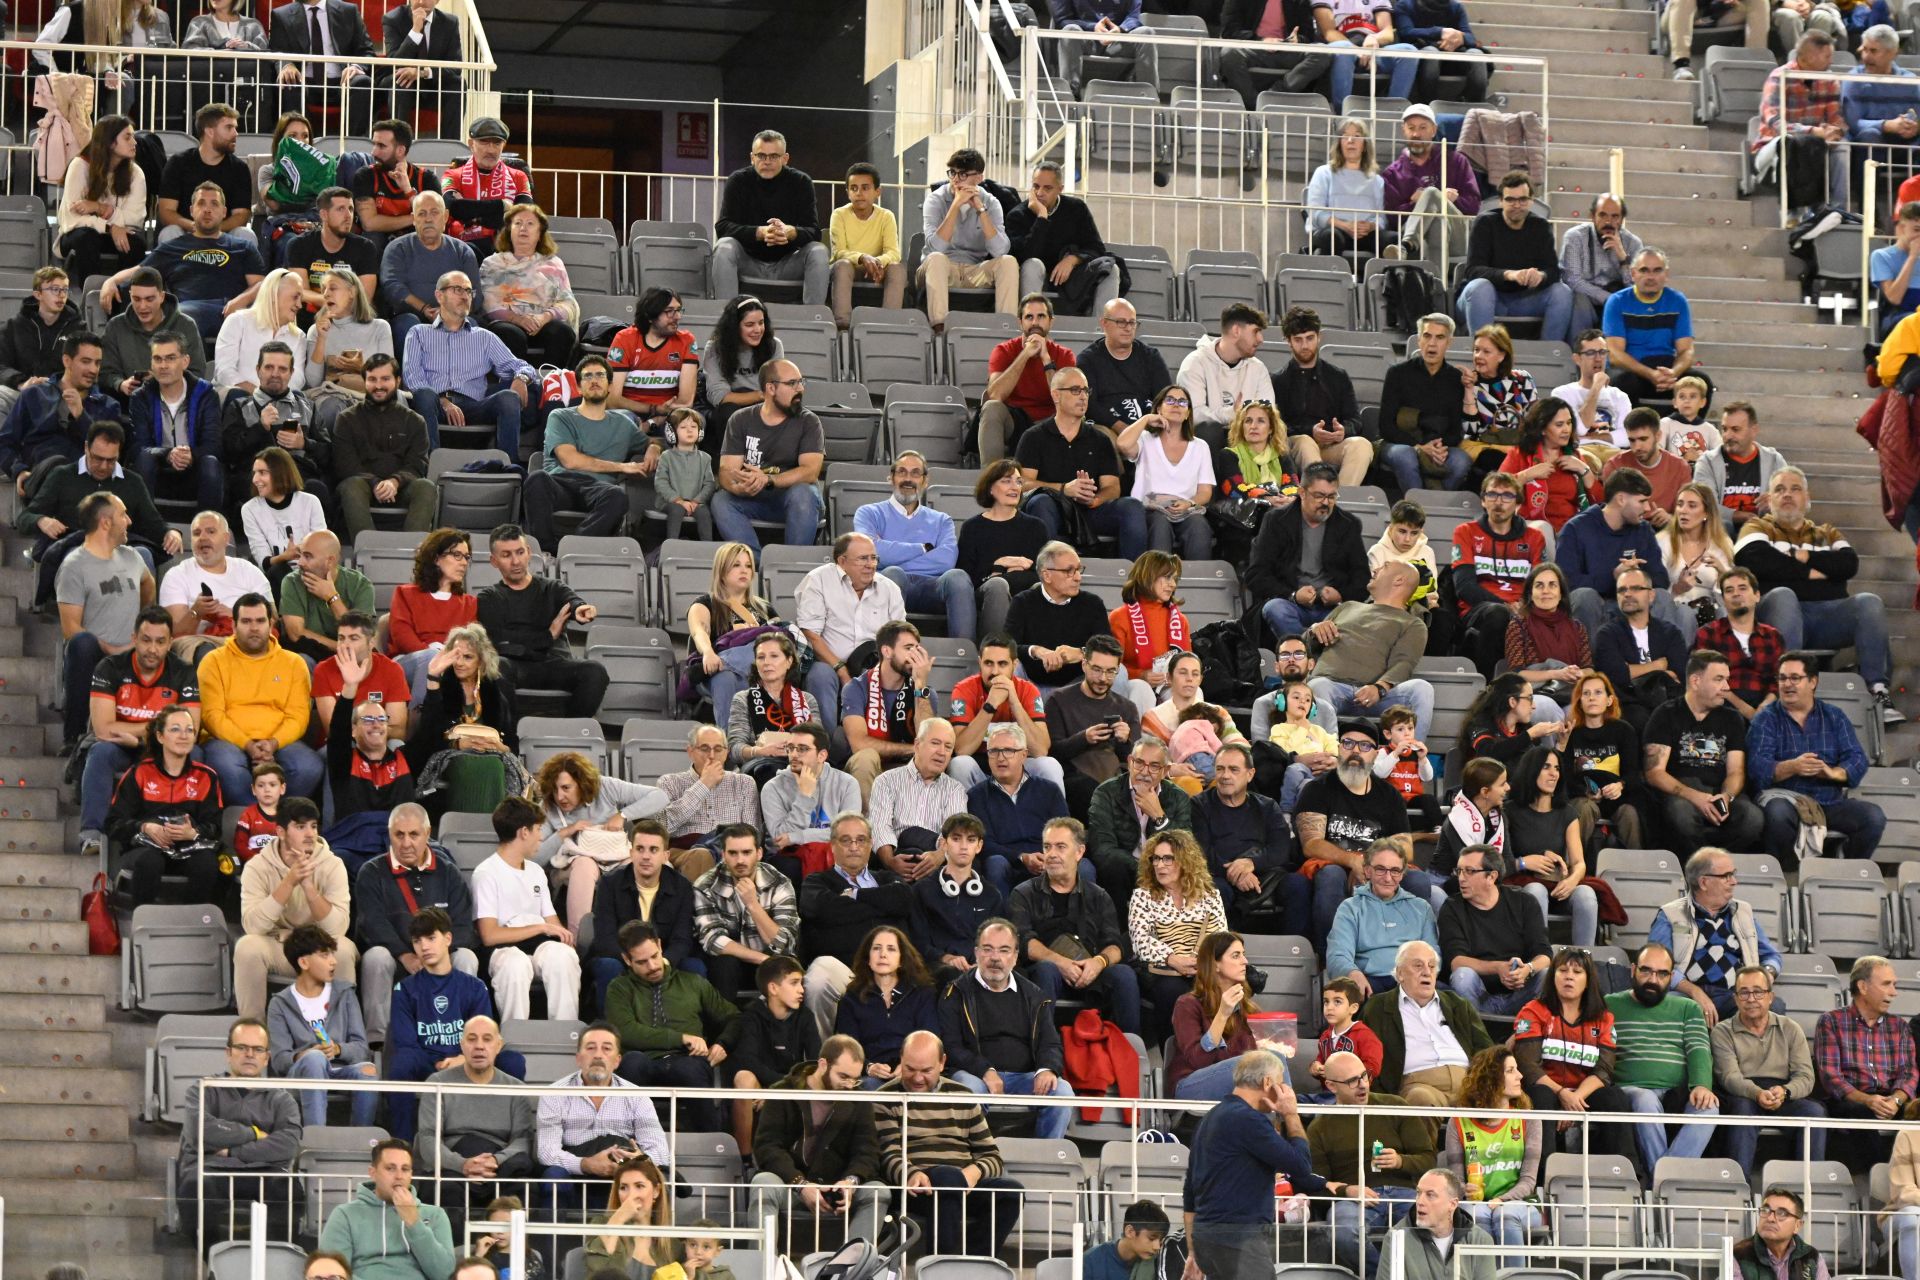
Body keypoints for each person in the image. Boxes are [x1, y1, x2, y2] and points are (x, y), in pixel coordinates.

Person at [1739, 469, 1903, 723]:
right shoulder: (1757, 526)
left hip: (1828, 616)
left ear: (1807, 498)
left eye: (1795, 489)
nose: (1788, 495)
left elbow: (1848, 565)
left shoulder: (1827, 532)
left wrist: (1800, 560)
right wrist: (1818, 572)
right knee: (1784, 595)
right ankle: (1785, 691)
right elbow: (1753, 561)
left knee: (1869, 602)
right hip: (1777, 615)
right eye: (1780, 489)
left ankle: (1878, 693)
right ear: (1769, 499)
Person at [1187, 1049, 1347, 1277]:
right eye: (1281, 1084)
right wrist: (1291, 1114)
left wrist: (1193, 1251)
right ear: (1267, 1082)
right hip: (1239, 1240)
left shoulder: (1210, 1118)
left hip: (1207, 1240)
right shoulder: (1249, 1119)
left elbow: (1189, 1191)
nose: (1284, 1091)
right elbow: (1301, 1165)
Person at [873, 1030, 1024, 1257]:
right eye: (910, 1069)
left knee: (1011, 1192)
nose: (917, 1078)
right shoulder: (885, 1097)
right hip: (914, 1189)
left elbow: (992, 1156)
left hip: (961, 1182)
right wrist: (911, 1173)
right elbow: (888, 1154)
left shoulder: (963, 1095)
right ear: (900, 1060)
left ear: (942, 1063)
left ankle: (973, 1262)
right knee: (948, 1178)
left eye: (926, 1071)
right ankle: (940, 1266)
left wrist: (973, 1173)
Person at [1297, 725, 1436, 946]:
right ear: (1339, 748)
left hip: (1379, 865)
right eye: (1348, 743)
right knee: (1332, 875)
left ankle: (1408, 956)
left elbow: (1406, 849)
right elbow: (1312, 844)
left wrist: (1371, 866)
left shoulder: (1389, 795)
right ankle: (1331, 958)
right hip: (1332, 864)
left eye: (1364, 745)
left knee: (1418, 879)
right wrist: (1352, 860)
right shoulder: (1317, 789)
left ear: (1375, 753)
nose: (1355, 751)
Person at [938, 917, 1075, 1137]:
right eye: (987, 949)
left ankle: (1046, 1158)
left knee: (1062, 1091)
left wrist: (1046, 1069)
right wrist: (985, 1070)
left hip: (1024, 1077)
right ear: (976, 952)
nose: (994, 958)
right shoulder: (956, 992)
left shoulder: (1034, 995)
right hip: (975, 1076)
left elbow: (1050, 1043)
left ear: (1015, 956)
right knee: (969, 1089)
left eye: (1003, 950)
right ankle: (972, 1157)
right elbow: (951, 1047)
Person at [350, 805, 476, 1041]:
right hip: (397, 959)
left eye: (414, 834)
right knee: (376, 956)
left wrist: (435, 955)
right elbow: (372, 924)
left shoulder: (449, 873)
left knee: (467, 957)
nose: (406, 843)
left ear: (428, 834)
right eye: (399, 835)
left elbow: (463, 928)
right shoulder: (371, 872)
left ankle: (459, 1037)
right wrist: (406, 955)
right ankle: (379, 1041)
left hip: (440, 958)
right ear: (390, 835)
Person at [749, 1033, 889, 1243]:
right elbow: (767, 1147)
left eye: (855, 1078)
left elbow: (867, 1151)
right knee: (763, 1183)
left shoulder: (859, 1098)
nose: (850, 1085)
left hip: (838, 1191)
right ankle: (763, 1268)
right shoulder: (783, 1092)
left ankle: (853, 1268)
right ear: (823, 1064)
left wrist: (850, 1182)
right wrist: (801, 1184)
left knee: (878, 1192)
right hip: (792, 1186)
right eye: (843, 1077)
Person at [1007, 817, 1140, 1033]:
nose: (1051, 854)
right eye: (1047, 847)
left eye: (1060, 847)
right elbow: (1023, 942)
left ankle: (1131, 1052)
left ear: (1079, 852)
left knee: (1123, 974)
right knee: (1046, 970)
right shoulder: (1023, 893)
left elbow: (1115, 945)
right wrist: (1060, 963)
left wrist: (1098, 963)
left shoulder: (1099, 895)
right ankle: (1040, 1050)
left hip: (1090, 971)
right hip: (1047, 974)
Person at [1308, 1045, 1435, 1273]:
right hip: (1354, 1201)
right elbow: (1316, 1187)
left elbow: (1428, 1159)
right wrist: (1347, 1190)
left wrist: (1401, 1161)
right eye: (1352, 1081)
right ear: (1331, 1086)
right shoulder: (1320, 1127)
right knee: (1343, 1231)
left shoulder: (1395, 1106)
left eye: (1364, 1076)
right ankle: (1384, 1276)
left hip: (1404, 1193)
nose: (1363, 1085)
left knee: (1447, 1219)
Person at [1748, 652, 1885, 859]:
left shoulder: (1834, 716)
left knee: (1873, 817)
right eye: (1782, 678)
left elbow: (1857, 758)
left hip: (1829, 801)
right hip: (1786, 800)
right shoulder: (1766, 719)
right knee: (1777, 813)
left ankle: (1844, 871)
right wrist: (1792, 767)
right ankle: (1786, 873)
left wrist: (1833, 773)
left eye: (1795, 678)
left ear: (1813, 682)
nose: (1787, 684)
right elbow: (1757, 768)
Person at [604, 920, 738, 1129]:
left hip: (687, 1060)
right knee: (631, 1063)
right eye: (641, 962)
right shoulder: (619, 988)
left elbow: (735, 1018)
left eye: (654, 956)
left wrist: (724, 1043)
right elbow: (626, 1031)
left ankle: (710, 1147)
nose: (652, 966)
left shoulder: (693, 982)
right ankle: (627, 1148)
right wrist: (681, 1038)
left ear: (659, 945)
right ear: (627, 960)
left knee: (691, 1069)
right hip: (642, 1059)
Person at [99, 182, 266, 347]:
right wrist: (111, 281)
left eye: (214, 204)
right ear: (192, 211)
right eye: (201, 203)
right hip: (189, 309)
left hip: (232, 308)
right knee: (180, 319)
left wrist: (240, 301)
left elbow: (260, 284)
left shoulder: (242, 247)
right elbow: (138, 272)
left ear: (224, 212)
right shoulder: (173, 247)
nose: (207, 209)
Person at [176, 1018, 302, 1235]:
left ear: (266, 1058)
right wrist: (253, 1133)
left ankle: (273, 1260)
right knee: (194, 1187)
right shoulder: (203, 1089)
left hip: (265, 1171)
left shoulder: (282, 1099)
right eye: (242, 1047)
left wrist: (234, 1150)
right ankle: (213, 1260)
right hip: (211, 1170)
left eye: (257, 1049)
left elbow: (288, 1144)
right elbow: (199, 1131)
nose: (250, 1054)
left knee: (291, 1192)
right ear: (228, 1053)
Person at [54, 485, 157, 744]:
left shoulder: (132, 556)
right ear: (105, 523)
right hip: (97, 652)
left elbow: (148, 585)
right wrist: (112, 648)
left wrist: (141, 629)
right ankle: (74, 737)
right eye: (123, 515)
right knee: (82, 643)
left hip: (132, 651)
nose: (129, 521)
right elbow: (71, 629)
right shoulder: (74, 566)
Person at [236, 797, 355, 1020]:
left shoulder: (332, 865)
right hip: (276, 946)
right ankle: (253, 1033)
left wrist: (309, 887)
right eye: (300, 827)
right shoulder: (257, 867)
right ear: (281, 832)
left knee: (345, 950)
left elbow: (337, 929)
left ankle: (340, 1037)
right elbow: (253, 926)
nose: (310, 834)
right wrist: (289, 882)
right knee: (247, 947)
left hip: (318, 946)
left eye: (313, 826)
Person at [1511, 947, 1636, 1157]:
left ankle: (1621, 1175)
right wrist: (1562, 1094)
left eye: (1577, 972)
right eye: (1562, 970)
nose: (1569, 976)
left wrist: (1574, 1099)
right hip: (1545, 1089)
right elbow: (1528, 1066)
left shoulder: (1603, 1018)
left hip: (1583, 1093)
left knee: (1615, 1097)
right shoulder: (1533, 1011)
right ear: (1553, 976)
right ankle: (1541, 1177)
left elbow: (1604, 1070)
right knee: (1541, 1097)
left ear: (1588, 980)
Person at [1607, 941, 1720, 1170]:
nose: (1653, 979)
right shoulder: (1609, 1004)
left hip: (1676, 1092)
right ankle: (1666, 1182)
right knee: (1645, 1099)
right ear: (1632, 970)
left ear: (1671, 977)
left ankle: (1663, 1178)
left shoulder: (1688, 1008)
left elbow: (1698, 1048)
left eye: (1662, 973)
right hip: (1631, 1088)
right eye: (1646, 970)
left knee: (1709, 1107)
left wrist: (1701, 1085)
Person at [198, 594, 323, 802]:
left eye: (260, 621)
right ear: (234, 625)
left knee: (309, 767)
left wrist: (273, 743)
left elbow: (298, 716)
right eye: (246, 621)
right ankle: (256, 822)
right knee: (228, 766)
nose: (254, 628)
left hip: (279, 740)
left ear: (271, 623)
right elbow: (212, 716)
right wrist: (247, 744)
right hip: (226, 740)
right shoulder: (213, 661)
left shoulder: (294, 663)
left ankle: (281, 818)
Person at [1016, 365, 1148, 559]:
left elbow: (1112, 487)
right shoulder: (1034, 437)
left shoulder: (1100, 439)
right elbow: (1023, 483)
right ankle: (1049, 574)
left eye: (1086, 390)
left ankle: (1132, 579)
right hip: (1053, 511)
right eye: (1075, 390)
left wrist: (1095, 500)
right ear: (1056, 396)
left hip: (1090, 511)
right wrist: (1063, 489)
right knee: (1040, 502)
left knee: (1132, 506)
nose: (1083, 396)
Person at [402, 268, 535, 455]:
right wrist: (444, 402)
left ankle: (508, 468)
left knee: (508, 398)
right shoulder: (419, 333)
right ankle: (429, 464)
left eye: (468, 291)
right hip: (434, 405)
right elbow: (412, 378)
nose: (465, 296)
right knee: (423, 394)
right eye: (457, 289)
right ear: (439, 296)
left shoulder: (484, 337)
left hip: (474, 405)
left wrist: (521, 378)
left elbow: (521, 366)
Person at [1644, 650, 1766, 851]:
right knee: (1680, 814)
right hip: (1681, 793)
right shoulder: (1665, 714)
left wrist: (1726, 797)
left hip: (1719, 791)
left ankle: (1722, 867)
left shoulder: (1732, 719)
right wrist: (1695, 797)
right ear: (1695, 681)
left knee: (1752, 818)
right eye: (1719, 679)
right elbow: (1654, 773)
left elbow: (1736, 771)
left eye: (1727, 680)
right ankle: (1695, 868)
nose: (1726, 688)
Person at [473, 796, 580, 1022]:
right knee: (516, 965)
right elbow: (490, 935)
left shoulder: (536, 871)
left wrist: (561, 935)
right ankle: (514, 1040)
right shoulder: (486, 874)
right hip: (503, 950)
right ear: (524, 832)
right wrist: (540, 927)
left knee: (563, 957)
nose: (541, 837)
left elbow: (551, 921)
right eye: (538, 830)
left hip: (538, 945)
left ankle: (565, 1035)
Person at [1304, 560, 1437, 739]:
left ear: (1398, 580)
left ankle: (1411, 756)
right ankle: (1325, 757)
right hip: (1331, 686)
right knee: (1317, 685)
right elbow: (1302, 648)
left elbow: (1404, 662)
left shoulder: (1413, 624)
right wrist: (1314, 630)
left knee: (1422, 688)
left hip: (1379, 696)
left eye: (1384, 567)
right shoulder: (1347, 607)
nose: (1375, 569)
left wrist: (1380, 688)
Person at [106, 703, 225, 902]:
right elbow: (112, 824)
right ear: (160, 736)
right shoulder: (140, 773)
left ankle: (196, 924)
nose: (184, 735)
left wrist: (193, 833)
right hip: (144, 850)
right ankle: (144, 919)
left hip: (188, 849)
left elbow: (214, 827)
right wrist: (145, 827)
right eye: (175, 729)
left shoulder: (206, 777)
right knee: (150, 862)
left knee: (207, 864)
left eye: (189, 730)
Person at [1711, 965, 1826, 1168]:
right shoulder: (1722, 1031)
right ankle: (1740, 1185)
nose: (1751, 999)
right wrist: (1757, 1093)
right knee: (1741, 1111)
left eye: (1758, 992)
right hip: (1744, 1094)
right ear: (1736, 999)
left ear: (1770, 997)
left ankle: (1810, 1186)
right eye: (1744, 993)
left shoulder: (1791, 1028)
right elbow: (1729, 1077)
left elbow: (1806, 1077)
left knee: (1815, 1113)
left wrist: (1785, 1091)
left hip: (1783, 1092)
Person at [522, 354, 644, 544]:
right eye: (587, 376)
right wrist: (621, 467)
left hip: (597, 490)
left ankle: (574, 547)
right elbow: (570, 460)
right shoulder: (560, 416)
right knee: (537, 479)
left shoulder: (624, 424)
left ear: (610, 386)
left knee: (618, 496)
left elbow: (653, 442)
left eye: (600, 375)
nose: (594, 380)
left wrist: (654, 447)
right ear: (578, 387)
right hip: (561, 483)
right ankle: (544, 549)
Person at [267, 924, 378, 1127]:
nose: (333, 961)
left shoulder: (345, 994)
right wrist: (305, 1054)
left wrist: (337, 1049)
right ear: (304, 962)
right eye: (325, 955)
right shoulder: (280, 1003)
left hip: (340, 1069)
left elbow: (362, 1049)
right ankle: (316, 1137)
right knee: (315, 1059)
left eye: (332, 955)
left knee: (368, 1071)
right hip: (301, 1072)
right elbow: (280, 1060)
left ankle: (361, 1141)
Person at [855, 450, 974, 640]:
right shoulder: (869, 513)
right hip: (890, 581)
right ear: (891, 478)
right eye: (901, 472)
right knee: (894, 573)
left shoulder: (942, 520)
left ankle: (963, 654)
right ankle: (885, 652)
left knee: (957, 577)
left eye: (915, 473)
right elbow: (872, 553)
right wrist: (923, 548)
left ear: (925, 481)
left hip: (933, 586)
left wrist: (891, 551)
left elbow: (946, 561)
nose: (908, 479)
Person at [1360, 938, 1494, 1106]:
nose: (1426, 972)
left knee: (1501, 1099)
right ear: (1400, 973)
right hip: (1419, 1085)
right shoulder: (1378, 1007)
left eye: (1431, 966)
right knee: (1420, 1098)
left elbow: (1486, 1050)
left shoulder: (1457, 1004)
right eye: (1418, 965)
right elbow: (1366, 1055)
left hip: (1467, 1084)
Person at [1814, 955, 1917, 1169]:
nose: (1894, 992)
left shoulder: (1899, 1026)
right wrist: (1867, 1100)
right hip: (1850, 1099)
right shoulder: (1831, 1022)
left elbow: (1909, 1073)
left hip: (1890, 1099)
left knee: (1916, 1109)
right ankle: (1880, 1177)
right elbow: (1831, 1077)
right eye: (1887, 984)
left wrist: (1896, 1100)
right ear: (1862, 986)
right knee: (1861, 1112)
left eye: (1894, 985)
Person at [712, 358, 823, 553]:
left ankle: (791, 563)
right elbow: (726, 471)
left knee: (805, 493)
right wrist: (739, 487)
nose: (800, 389)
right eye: (792, 383)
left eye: (801, 382)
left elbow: (810, 472)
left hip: (791, 499)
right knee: (721, 500)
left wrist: (768, 480)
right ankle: (755, 563)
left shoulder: (809, 422)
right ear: (770, 388)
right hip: (754, 498)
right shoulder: (740, 419)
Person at [1251, 462, 1370, 642]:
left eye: (1331, 496)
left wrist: (1341, 594)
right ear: (1302, 493)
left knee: (1360, 616)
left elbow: (1362, 577)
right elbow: (1256, 575)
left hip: (1332, 608)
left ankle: (1305, 651)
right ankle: (1305, 650)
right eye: (1319, 495)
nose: (1325, 503)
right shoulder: (1276, 521)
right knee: (1275, 609)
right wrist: (1293, 595)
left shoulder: (1348, 524)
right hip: (1290, 603)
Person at [415, 1015, 535, 1190]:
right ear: (462, 1045)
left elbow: (523, 1140)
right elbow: (428, 1139)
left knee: (527, 1187)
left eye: (487, 1039)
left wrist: (495, 1160)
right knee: (442, 1188)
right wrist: (463, 1164)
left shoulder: (516, 1088)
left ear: (499, 1046)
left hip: (500, 1168)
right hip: (452, 1169)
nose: (479, 1046)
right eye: (472, 1039)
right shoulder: (437, 1082)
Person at [1128, 830, 1228, 1040]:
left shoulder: (1209, 895)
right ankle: (1175, 1057)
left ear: (1185, 861)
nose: (1159, 865)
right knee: (1171, 991)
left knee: (1220, 988)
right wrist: (1173, 959)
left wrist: (1199, 962)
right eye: (1155, 858)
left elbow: (1221, 937)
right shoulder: (1143, 896)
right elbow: (1140, 940)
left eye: (1167, 858)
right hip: (1163, 968)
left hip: (1203, 967)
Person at [1504, 745, 1606, 948]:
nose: (1553, 774)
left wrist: (1572, 881)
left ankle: (1584, 960)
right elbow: (1501, 860)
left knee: (1586, 894)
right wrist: (1524, 862)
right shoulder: (1510, 811)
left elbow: (1579, 863)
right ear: (1531, 770)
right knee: (1536, 890)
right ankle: (1539, 956)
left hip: (1557, 883)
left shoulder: (1566, 813)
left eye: (1557, 768)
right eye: (1546, 767)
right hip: (1523, 884)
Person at [711, 130, 828, 304]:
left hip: (789, 263)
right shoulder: (738, 181)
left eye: (773, 156)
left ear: (785, 158)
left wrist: (790, 232)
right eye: (761, 155)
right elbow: (723, 227)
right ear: (752, 157)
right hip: (747, 261)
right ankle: (727, 316)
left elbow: (814, 232)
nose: (767, 162)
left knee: (818, 251)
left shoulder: (801, 182)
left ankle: (813, 321)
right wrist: (760, 232)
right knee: (724, 246)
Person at [1458, 171, 1574, 345]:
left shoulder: (1540, 227)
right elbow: (1472, 270)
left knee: (1562, 292)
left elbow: (1553, 270)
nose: (1517, 205)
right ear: (1500, 201)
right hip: (1486, 297)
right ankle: (1482, 351)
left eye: (1522, 199)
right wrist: (1509, 274)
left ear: (1531, 201)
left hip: (1525, 299)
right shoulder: (1485, 223)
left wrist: (1540, 276)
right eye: (1510, 200)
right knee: (1480, 287)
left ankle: (1550, 354)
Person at [1193, 741, 1302, 926]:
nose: (1225, 776)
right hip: (1218, 875)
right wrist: (1237, 873)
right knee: (1216, 890)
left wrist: (1251, 863)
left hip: (1263, 873)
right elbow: (1201, 852)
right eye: (1220, 769)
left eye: (1234, 770)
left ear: (1250, 774)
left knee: (1297, 885)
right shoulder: (1199, 805)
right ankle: (1218, 952)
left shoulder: (1268, 806)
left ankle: (1296, 951)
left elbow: (1281, 848)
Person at [1556, 469, 1675, 637]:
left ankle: (1658, 659)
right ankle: (1593, 662)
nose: (1647, 508)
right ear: (1621, 499)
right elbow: (1567, 582)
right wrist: (1613, 577)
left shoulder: (1643, 530)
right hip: (1598, 606)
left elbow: (1661, 579)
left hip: (1635, 605)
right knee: (1584, 596)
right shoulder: (1576, 529)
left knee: (1662, 596)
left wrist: (1636, 577)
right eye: (1642, 501)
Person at [317, 1140, 457, 1280]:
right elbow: (330, 1272)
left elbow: (445, 1275)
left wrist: (414, 1223)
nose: (399, 1176)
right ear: (373, 1173)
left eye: (405, 1169)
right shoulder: (345, 1215)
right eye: (390, 1168)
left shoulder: (435, 1215)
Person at [329, 355, 433, 542]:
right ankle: (368, 551)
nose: (378, 386)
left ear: (398, 381)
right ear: (364, 381)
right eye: (372, 379)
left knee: (426, 486)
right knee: (351, 486)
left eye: (385, 379)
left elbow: (418, 466)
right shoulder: (346, 419)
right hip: (362, 485)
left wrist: (394, 481)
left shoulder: (415, 421)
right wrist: (376, 483)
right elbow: (344, 466)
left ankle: (414, 557)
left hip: (402, 487)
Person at [1439, 843, 1550, 1017]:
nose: (1461, 878)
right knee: (1463, 975)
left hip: (1519, 993)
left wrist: (1528, 969)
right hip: (1476, 993)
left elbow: (1544, 954)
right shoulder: (1452, 908)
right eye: (1459, 871)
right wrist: (1498, 967)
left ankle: (1531, 1034)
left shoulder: (1524, 902)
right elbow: (1456, 961)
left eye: (1469, 871)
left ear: (1491, 876)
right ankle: (1472, 1036)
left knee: (1546, 975)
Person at [1084, 734, 1191, 909]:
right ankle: (1118, 933)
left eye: (1154, 766)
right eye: (1139, 763)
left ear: (1165, 770)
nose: (1144, 771)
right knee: (1112, 865)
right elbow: (1102, 848)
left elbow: (1185, 848)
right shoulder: (1106, 792)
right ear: (1130, 761)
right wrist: (1143, 869)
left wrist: (1159, 817)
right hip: (1123, 871)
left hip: (1163, 868)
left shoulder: (1178, 797)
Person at [723, 954, 818, 1151]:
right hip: (764, 1086)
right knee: (743, 1078)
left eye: (801, 983)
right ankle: (745, 1159)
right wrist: (773, 1088)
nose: (801, 990)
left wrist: (779, 1090)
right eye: (794, 983)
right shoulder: (751, 1015)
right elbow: (747, 1060)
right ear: (773, 988)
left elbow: (815, 1062)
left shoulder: (806, 1016)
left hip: (793, 1088)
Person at [1006, 159, 1123, 317]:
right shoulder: (1018, 215)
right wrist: (1042, 217)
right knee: (1032, 265)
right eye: (1036, 186)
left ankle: (1101, 332)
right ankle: (1031, 325)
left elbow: (1096, 247)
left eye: (1047, 188)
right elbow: (1025, 256)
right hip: (1037, 277)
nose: (1040, 193)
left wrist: (1073, 259)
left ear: (1060, 189)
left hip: (1071, 277)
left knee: (1111, 269)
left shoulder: (1076, 208)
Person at [919, 147, 1018, 331]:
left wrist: (981, 210)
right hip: (939, 269)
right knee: (937, 259)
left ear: (979, 178)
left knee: (1008, 262)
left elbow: (999, 250)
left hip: (974, 271)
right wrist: (955, 206)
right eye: (952, 173)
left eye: (962, 174)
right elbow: (936, 248)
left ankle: (1006, 329)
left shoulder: (991, 202)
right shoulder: (935, 200)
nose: (955, 179)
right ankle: (939, 328)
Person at [1328, 839, 1441, 999]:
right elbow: (1337, 955)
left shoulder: (1421, 908)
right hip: (1369, 981)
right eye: (1380, 869)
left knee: (1452, 1003)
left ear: (1402, 874)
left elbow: (1433, 954)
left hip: (1412, 979)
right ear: (1367, 871)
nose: (1388, 878)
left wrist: (1421, 975)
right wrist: (1352, 973)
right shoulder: (1350, 908)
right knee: (1349, 999)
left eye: (1395, 871)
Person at [1755, 32, 1850, 218]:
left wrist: (1836, 131)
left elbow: (1836, 116)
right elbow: (1774, 122)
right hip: (1774, 146)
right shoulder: (1779, 77)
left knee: (1843, 147)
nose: (1831, 61)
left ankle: (1839, 211)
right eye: (1827, 56)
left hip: (1816, 144)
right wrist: (1813, 131)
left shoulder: (1829, 80)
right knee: (1795, 143)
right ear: (1810, 56)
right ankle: (1793, 211)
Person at [1115, 384, 1215, 559]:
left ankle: (1198, 583)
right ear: (1159, 408)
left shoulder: (1200, 446)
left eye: (1182, 402)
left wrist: (1189, 504)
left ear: (1188, 413)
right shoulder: (1145, 440)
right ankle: (1156, 581)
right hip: (1151, 510)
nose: (1176, 405)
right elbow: (1123, 445)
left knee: (1199, 526)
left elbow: (1205, 492)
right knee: (1160, 525)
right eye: (1170, 400)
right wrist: (1145, 419)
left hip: (1186, 509)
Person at [1005, 540, 1114, 698]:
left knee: (1118, 672)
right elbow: (1006, 646)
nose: (1077, 577)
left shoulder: (1092, 604)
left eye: (1078, 570)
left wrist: (1082, 653)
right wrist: (1036, 650)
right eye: (1069, 571)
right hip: (1031, 688)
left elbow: (1109, 650)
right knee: (1009, 666)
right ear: (1047, 575)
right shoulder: (1023, 602)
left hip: (1078, 688)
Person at [1588, 564, 1688, 734]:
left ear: (1651, 595)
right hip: (1628, 705)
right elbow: (1615, 676)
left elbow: (1678, 677)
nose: (1627, 594)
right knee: (1639, 719)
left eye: (1635, 588)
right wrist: (1658, 666)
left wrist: (1633, 670)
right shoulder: (1607, 634)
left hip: (1667, 702)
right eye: (1621, 590)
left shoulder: (1670, 633)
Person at [979, 292, 1076, 464]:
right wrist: (1025, 355)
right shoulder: (1003, 350)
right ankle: (991, 479)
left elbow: (1066, 403)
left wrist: (1046, 359)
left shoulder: (1065, 355)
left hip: (1051, 422)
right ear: (1020, 322)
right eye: (1029, 317)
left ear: (1051, 321)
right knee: (992, 408)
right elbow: (995, 395)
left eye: (1041, 316)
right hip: (1015, 421)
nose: (1035, 323)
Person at [382, 192, 481, 361]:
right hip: (410, 316)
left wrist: (446, 314)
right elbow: (392, 286)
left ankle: (462, 384)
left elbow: (475, 296)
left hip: (454, 315)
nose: (428, 219)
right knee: (408, 324)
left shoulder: (463, 252)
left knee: (469, 324)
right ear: (413, 219)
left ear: (446, 217)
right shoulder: (398, 248)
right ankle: (413, 384)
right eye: (422, 214)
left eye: (434, 213)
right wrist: (424, 308)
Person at [1380, 312, 1472, 492]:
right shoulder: (1397, 374)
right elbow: (1385, 425)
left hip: (1438, 445)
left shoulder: (1455, 379)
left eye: (1439, 337)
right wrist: (1418, 447)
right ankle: (1417, 508)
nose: (1432, 344)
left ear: (1449, 343)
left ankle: (1437, 503)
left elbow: (1456, 430)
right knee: (1406, 456)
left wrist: (1439, 448)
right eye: (1427, 336)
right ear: (1419, 340)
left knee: (1462, 461)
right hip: (1402, 444)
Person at [478, 203, 578, 369]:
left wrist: (543, 317)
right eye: (517, 223)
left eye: (530, 224)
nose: (523, 228)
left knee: (562, 332)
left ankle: (550, 384)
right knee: (510, 334)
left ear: (540, 233)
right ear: (509, 230)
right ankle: (517, 385)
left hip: (542, 322)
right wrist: (518, 319)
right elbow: (488, 303)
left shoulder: (553, 263)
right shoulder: (492, 264)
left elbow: (567, 302)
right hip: (507, 322)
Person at [908, 813, 1004, 981]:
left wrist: (982, 964)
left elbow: (998, 941)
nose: (964, 846)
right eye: (957, 839)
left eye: (971, 840)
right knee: (950, 974)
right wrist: (947, 958)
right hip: (936, 968)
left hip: (979, 968)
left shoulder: (991, 895)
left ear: (979, 846)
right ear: (944, 844)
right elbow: (918, 942)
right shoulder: (922, 890)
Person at [58, 119, 146, 301]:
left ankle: (124, 299)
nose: (135, 142)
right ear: (109, 142)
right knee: (86, 237)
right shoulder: (80, 166)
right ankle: (91, 297)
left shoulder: (135, 173)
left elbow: (135, 218)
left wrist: (100, 208)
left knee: (136, 242)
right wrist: (109, 227)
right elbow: (71, 219)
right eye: (127, 137)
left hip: (118, 232)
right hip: (78, 233)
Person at [1382, 102, 1484, 260]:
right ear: (1404, 131)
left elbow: (1474, 206)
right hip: (1421, 240)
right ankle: (1437, 283)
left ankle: (1405, 246)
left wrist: (1454, 200)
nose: (1416, 134)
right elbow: (1392, 219)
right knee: (1436, 223)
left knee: (1430, 193)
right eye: (1411, 128)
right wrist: (1412, 204)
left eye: (1423, 127)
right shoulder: (1392, 173)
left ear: (1433, 130)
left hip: (1457, 236)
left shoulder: (1456, 161)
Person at [1602, 250, 1701, 412]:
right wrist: (1650, 374)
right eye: (1644, 270)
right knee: (1622, 383)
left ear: (1666, 274)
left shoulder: (1678, 301)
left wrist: (1673, 373)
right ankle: (1628, 435)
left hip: (1666, 369)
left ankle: (1689, 433)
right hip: (1632, 369)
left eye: (1657, 270)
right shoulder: (1617, 302)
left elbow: (1687, 350)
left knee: (1701, 382)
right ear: (1633, 274)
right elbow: (1615, 355)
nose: (1651, 277)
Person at [1563, 670, 1647, 846]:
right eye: (1586, 693)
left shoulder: (1624, 730)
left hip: (1617, 797)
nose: (1591, 697)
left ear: (1609, 700)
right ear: (1580, 701)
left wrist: (1620, 785)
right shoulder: (1571, 733)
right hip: (1583, 797)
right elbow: (1565, 776)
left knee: (1630, 813)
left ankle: (1634, 870)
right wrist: (1585, 792)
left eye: (1598, 692)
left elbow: (1634, 774)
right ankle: (1575, 867)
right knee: (1584, 809)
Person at [1176, 303, 1274, 451]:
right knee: (1209, 430)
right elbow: (1191, 414)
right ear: (1236, 331)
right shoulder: (1195, 363)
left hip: (1246, 435)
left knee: (1274, 435)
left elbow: (1269, 412)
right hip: (1209, 440)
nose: (1261, 339)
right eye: (1255, 331)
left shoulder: (1258, 368)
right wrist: (1231, 414)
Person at [1500, 398, 1604, 536]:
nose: (1566, 429)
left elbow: (1600, 503)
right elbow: (1497, 490)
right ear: (1542, 429)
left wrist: (1585, 470)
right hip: (1531, 530)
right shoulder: (1520, 454)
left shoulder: (1575, 456)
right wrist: (1527, 475)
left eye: (1569, 423)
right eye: (1559, 424)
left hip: (1570, 530)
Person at [100, 267, 208, 397]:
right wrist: (120, 384)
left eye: (149, 299)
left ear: (161, 296)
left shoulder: (186, 325)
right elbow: (105, 372)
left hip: (177, 403)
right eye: (137, 299)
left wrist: (163, 381)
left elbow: (197, 372)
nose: (142, 306)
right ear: (130, 296)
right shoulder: (115, 326)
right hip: (127, 405)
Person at [285, 190, 381, 333]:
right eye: (340, 209)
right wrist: (332, 301)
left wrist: (334, 303)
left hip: (351, 319)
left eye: (350, 209)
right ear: (324, 214)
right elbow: (301, 292)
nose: (348, 216)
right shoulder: (299, 245)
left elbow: (364, 297)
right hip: (310, 320)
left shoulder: (365, 247)